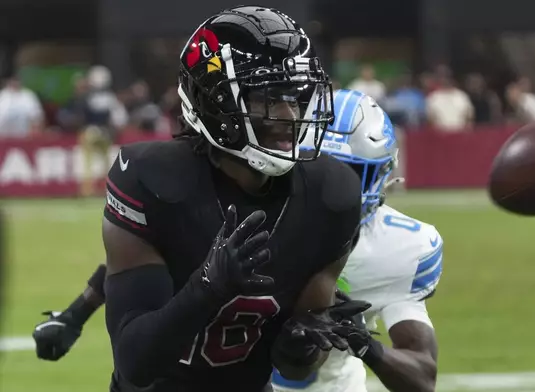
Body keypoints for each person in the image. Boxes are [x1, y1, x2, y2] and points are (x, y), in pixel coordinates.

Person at [33, 7, 370, 392]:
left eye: (295, 96)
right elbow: (135, 365)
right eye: (267, 98)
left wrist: (304, 343)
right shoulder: (152, 180)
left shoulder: (332, 195)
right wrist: (207, 288)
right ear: (214, 102)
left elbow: (295, 370)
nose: (288, 113)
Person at [273, 89, 441, 392]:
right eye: (320, 167)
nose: (334, 188)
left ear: (382, 174)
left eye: (352, 173)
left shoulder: (401, 248)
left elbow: (422, 378)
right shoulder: (241, 220)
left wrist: (362, 342)